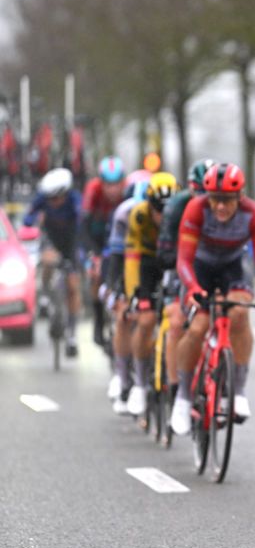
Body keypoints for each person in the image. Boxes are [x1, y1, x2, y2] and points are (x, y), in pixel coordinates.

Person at [170, 163, 255, 436]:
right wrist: (191, 287)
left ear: (239, 197)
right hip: (200, 267)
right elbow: (183, 259)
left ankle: (238, 392)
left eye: (227, 200)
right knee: (197, 327)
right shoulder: (196, 209)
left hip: (233, 267)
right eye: (214, 199)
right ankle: (182, 397)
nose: (220, 207)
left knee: (239, 313)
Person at [154, 159, 213, 412]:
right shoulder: (177, 207)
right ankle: (176, 384)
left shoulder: (225, 206)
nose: (205, 200)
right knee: (176, 321)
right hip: (181, 264)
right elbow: (165, 253)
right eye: (199, 193)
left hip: (211, 264)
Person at [123, 172, 179, 416]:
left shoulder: (183, 212)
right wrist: (135, 294)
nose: (162, 216)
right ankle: (140, 384)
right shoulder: (138, 215)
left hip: (175, 261)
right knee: (145, 319)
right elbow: (132, 259)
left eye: (167, 209)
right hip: (146, 262)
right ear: (149, 205)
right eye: (157, 209)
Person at [22, 168, 83, 357]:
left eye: (57, 198)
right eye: (50, 199)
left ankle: (71, 333)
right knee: (47, 260)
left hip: (71, 243)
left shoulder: (75, 200)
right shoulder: (43, 199)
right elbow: (27, 218)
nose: (53, 203)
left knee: (73, 286)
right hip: (51, 240)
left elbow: (83, 220)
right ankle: (45, 296)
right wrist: (35, 219)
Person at [103, 177, 150, 412]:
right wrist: (116, 290)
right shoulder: (124, 214)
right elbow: (116, 257)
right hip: (127, 263)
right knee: (124, 313)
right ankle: (122, 376)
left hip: (156, 264)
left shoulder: (169, 213)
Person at [81, 156, 126, 346]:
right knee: (96, 273)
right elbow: (83, 227)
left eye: (117, 184)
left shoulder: (128, 192)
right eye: (108, 184)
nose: (113, 189)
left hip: (120, 238)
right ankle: (98, 320)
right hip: (97, 238)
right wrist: (94, 254)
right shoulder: (93, 190)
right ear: (101, 182)